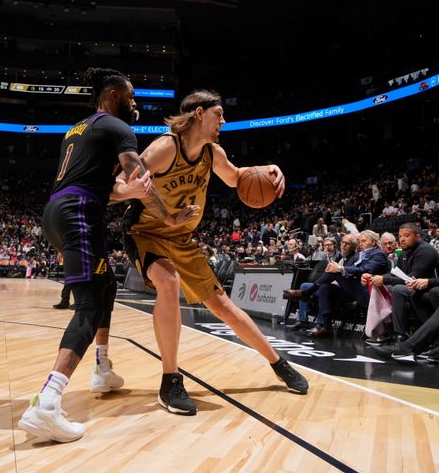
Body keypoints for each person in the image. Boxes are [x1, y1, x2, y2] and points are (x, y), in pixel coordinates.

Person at [19, 67, 196, 443]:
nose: (135, 102)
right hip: (79, 213)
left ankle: (101, 367)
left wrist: (128, 192)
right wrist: (170, 216)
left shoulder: (77, 129)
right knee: (88, 306)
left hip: (58, 210)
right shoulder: (119, 128)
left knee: (107, 285)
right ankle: (46, 403)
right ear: (112, 94)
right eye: (130, 95)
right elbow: (141, 181)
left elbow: (112, 188)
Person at [122, 89, 308, 416]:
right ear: (198, 113)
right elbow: (127, 182)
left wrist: (269, 166)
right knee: (169, 282)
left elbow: (238, 178)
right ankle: (170, 379)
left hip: (182, 238)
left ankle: (279, 364)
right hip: (145, 232)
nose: (223, 121)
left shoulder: (213, 153)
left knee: (224, 307)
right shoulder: (166, 148)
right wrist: (151, 203)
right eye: (218, 114)